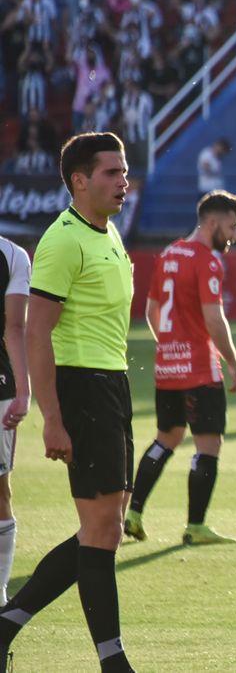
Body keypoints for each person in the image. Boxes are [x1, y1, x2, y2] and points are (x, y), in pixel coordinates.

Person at [0, 132, 136, 671]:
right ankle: (113, 660)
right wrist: (52, 419)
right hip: (82, 389)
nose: (123, 181)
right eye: (111, 173)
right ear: (79, 180)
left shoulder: (109, 232)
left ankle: (6, 624)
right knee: (101, 530)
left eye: (124, 171)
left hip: (113, 385)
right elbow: (37, 334)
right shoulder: (62, 241)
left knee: (105, 527)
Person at [124, 190, 236, 546]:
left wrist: (169, 346)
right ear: (212, 222)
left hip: (168, 368)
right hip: (199, 370)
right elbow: (214, 318)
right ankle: (195, 525)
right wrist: (234, 363)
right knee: (208, 446)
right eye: (232, 226)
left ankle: (134, 513)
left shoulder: (168, 254)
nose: (235, 235)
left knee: (166, 439)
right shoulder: (207, 260)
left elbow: (151, 311)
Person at [0, 235, 31, 605]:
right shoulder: (13, 254)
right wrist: (25, 392)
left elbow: (16, 328)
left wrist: (23, 391)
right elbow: (16, 329)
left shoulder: (11, 255)